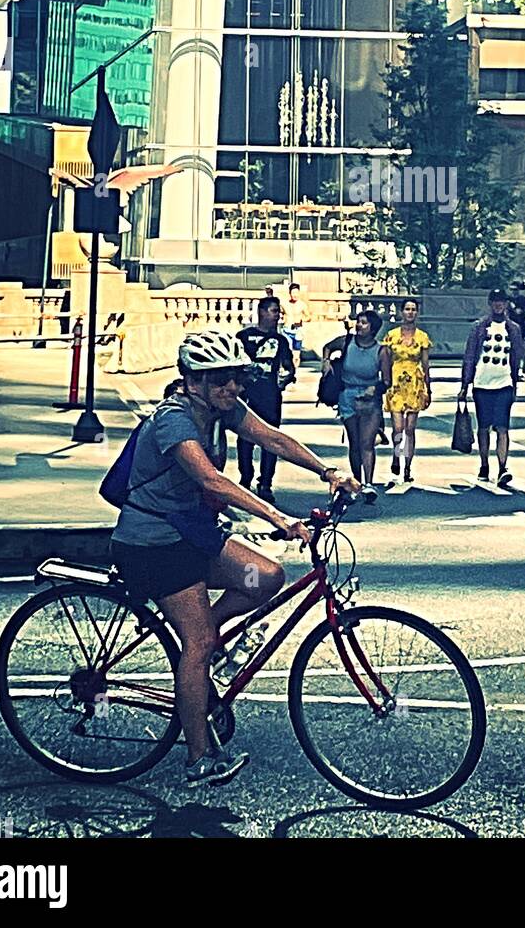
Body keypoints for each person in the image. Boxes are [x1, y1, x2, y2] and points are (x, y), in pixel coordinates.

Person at [110, 330, 357, 787]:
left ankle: (209, 636)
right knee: (199, 643)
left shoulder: (222, 410)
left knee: (265, 577)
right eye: (220, 379)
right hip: (153, 545)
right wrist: (278, 517)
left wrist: (329, 471)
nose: (232, 387)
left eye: (236, 377)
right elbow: (212, 481)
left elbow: (274, 439)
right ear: (193, 381)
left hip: (190, 535)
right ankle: (198, 759)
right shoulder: (173, 421)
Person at [459, 289, 525, 489]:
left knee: (502, 427)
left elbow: (517, 353)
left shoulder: (513, 328)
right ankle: (484, 464)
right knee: (484, 427)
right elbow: (470, 355)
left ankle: (503, 467)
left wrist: (518, 373)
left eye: (502, 301)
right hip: (482, 383)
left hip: (504, 382)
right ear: (490, 303)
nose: (498, 305)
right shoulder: (479, 327)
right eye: (495, 301)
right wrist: (465, 384)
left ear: (506, 304)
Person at [236, 296, 295, 506]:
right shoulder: (243, 337)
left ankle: (266, 482)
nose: (277, 315)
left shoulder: (280, 341)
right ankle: (245, 477)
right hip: (247, 395)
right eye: (273, 311)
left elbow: (288, 367)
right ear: (261, 312)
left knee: (271, 440)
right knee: (245, 438)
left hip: (270, 396)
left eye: (278, 311)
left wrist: (284, 380)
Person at [322, 310, 390, 486]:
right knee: (355, 442)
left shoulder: (381, 351)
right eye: (358, 321)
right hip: (347, 396)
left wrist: (374, 389)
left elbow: (387, 381)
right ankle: (357, 482)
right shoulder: (347, 342)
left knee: (366, 443)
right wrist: (326, 361)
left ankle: (369, 483)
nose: (359, 325)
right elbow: (327, 347)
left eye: (364, 323)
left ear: (373, 328)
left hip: (370, 400)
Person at [382, 299, 432, 485]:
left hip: (414, 384)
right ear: (401, 312)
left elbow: (425, 364)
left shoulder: (422, 337)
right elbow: (385, 360)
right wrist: (384, 381)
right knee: (398, 427)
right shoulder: (392, 335)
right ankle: (396, 455)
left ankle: (408, 466)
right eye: (407, 309)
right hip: (396, 383)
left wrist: (428, 387)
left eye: (413, 309)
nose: (410, 312)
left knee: (410, 428)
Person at [282, 282, 312, 368]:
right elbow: (279, 313)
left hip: (298, 331)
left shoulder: (302, 305)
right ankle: (288, 368)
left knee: (296, 355)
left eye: (296, 292)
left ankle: (295, 369)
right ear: (289, 293)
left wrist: (301, 321)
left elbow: (309, 317)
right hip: (286, 330)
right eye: (293, 293)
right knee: (287, 352)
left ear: (299, 293)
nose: (295, 295)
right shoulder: (284, 304)